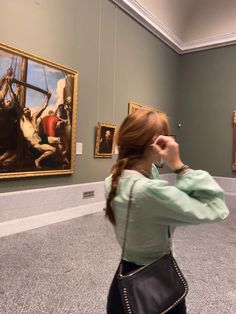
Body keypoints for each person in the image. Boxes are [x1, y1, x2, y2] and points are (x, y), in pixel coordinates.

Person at [104, 109, 229, 314]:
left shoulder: (113, 180)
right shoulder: (150, 192)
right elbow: (216, 207)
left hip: (123, 282)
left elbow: (149, 177)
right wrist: (178, 166)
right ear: (156, 143)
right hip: (156, 285)